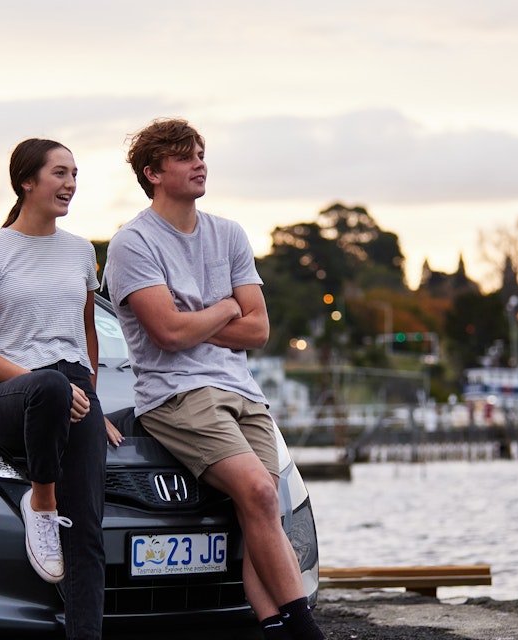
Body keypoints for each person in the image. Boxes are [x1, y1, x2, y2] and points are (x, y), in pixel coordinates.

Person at [104, 118, 324, 640]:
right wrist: (226, 306)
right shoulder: (133, 243)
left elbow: (260, 330)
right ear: (153, 173)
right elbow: (167, 334)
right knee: (260, 495)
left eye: (200, 153)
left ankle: (273, 632)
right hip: (176, 396)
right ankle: (307, 631)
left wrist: (199, 318)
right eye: (184, 156)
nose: (199, 163)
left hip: (243, 393)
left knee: (262, 508)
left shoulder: (227, 233)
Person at [0, 138, 122, 640]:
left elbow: (87, 333)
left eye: (75, 174)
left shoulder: (79, 251)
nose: (70, 183)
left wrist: (93, 400)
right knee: (50, 385)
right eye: (59, 173)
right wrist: (43, 383)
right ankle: (43, 504)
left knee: (89, 532)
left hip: (71, 390)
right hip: (9, 392)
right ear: (26, 181)